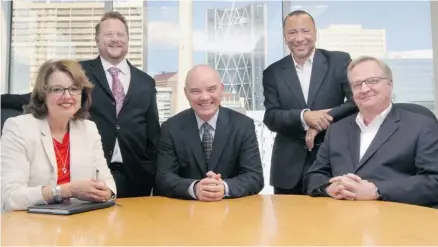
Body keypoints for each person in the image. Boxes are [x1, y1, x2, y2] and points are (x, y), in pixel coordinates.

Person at [304, 56, 438, 208]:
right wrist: (330, 188)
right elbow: (313, 176)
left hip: (397, 221)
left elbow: (434, 180)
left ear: (390, 83)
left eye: (373, 80)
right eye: (357, 84)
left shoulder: (421, 125)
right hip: (343, 220)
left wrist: (377, 190)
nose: (365, 89)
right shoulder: (336, 129)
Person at [1, 59, 116, 211]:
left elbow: (108, 184)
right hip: (31, 226)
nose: (67, 96)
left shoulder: (89, 129)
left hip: (80, 225)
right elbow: (10, 197)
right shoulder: (18, 128)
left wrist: (106, 192)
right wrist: (66, 190)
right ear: (43, 95)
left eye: (74, 88)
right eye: (57, 89)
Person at [263, 10, 357, 195]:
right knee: (288, 223)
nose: (299, 38)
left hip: (333, 163)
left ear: (315, 33)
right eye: (292, 32)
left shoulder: (339, 61)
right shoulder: (272, 72)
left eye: (305, 31)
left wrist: (323, 120)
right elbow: (271, 117)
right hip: (288, 171)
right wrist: (304, 117)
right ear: (284, 37)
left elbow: (356, 102)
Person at [79, 11, 160, 197]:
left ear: (128, 39)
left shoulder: (146, 82)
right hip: (91, 176)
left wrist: (151, 170)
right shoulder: (80, 72)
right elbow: (47, 95)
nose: (115, 39)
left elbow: (153, 134)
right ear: (97, 40)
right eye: (108, 35)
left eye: (120, 34)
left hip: (137, 177)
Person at [154, 65, 264, 201]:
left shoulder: (243, 125)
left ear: (221, 89)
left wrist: (223, 187)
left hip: (233, 213)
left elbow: (254, 177)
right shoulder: (171, 127)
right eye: (195, 91)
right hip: (185, 213)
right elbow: (163, 178)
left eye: (211, 89)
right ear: (185, 93)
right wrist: (195, 188)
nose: (205, 97)